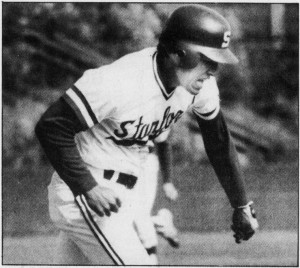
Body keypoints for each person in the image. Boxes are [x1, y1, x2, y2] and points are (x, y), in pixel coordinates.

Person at [35, 4, 259, 265]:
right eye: (208, 60)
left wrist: (241, 205)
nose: (214, 70)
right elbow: (51, 126)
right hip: (87, 191)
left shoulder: (199, 87)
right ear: (178, 53)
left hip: (121, 196)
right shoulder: (120, 81)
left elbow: (219, 141)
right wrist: (87, 187)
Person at [133, 130, 179, 265]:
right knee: (123, 215)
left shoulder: (151, 109)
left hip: (144, 161)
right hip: (117, 160)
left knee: (139, 213)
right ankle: (160, 222)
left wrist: (168, 181)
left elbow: (163, 143)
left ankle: (151, 257)